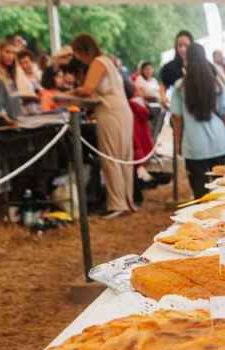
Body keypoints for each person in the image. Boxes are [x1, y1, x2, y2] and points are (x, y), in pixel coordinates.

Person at [70, 33, 135, 218]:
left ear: (83, 50)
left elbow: (87, 89)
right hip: (121, 112)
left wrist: (71, 92)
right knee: (123, 158)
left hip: (111, 114)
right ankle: (127, 201)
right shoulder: (107, 61)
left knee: (111, 158)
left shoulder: (97, 62)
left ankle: (117, 204)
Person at [171, 43, 225, 199]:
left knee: (201, 196)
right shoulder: (218, 84)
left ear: (187, 59)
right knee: (222, 193)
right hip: (219, 143)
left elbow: (177, 119)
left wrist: (178, 143)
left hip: (194, 146)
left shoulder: (179, 87)